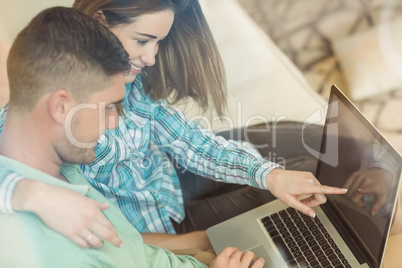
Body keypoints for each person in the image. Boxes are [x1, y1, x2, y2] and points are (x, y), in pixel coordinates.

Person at [0, 0, 347, 251]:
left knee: (313, 139)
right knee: (309, 179)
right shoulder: (51, 119)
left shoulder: (129, 79)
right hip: (166, 225)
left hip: (168, 176)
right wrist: (26, 191)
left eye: (158, 42)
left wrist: (268, 173)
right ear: (101, 20)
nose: (151, 57)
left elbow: (189, 141)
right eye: (142, 40)